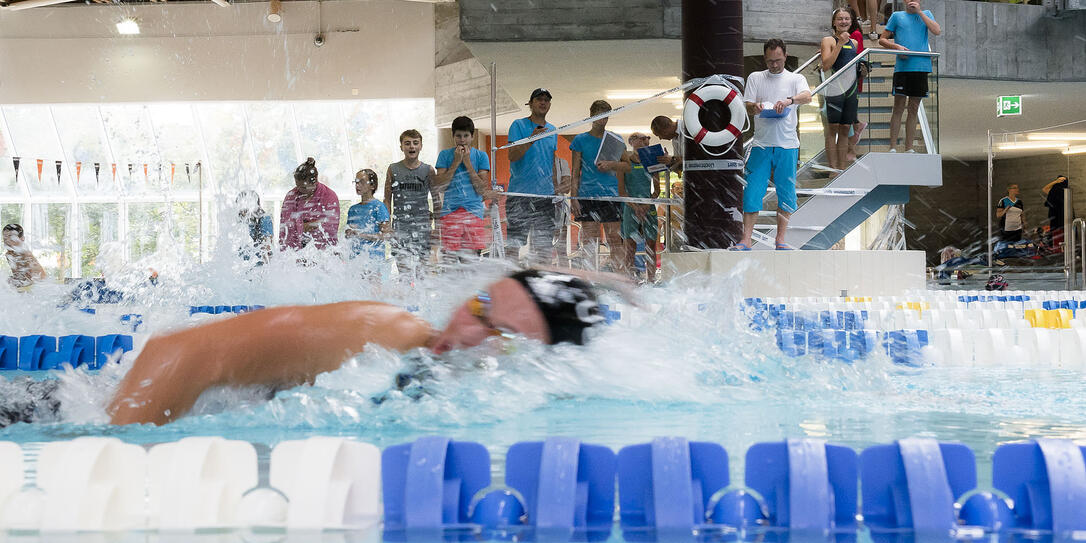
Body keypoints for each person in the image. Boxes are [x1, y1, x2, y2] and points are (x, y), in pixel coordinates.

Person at [104, 269, 604, 426]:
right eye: (479, 306)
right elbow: (177, 352)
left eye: (504, 338)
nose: (470, 332)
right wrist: (118, 457)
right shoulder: (381, 334)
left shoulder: (509, 403)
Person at [735, 39, 813, 251]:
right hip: (761, 144)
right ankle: (746, 239)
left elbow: (808, 97)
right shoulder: (756, 77)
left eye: (778, 60)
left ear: (785, 56)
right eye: (770, 61)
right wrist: (756, 107)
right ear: (765, 59)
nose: (775, 65)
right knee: (752, 192)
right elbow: (747, 105)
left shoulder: (796, 78)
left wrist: (789, 101)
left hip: (787, 145)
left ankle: (781, 239)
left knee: (786, 192)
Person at [570, 100, 627, 272]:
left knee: (614, 239)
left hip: (610, 194)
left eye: (606, 115)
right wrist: (574, 198)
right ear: (592, 116)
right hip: (587, 194)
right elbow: (575, 171)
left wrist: (611, 164)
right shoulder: (580, 139)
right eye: (599, 115)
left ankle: (619, 277)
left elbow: (627, 166)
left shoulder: (615, 139)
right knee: (589, 241)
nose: (603, 120)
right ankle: (590, 279)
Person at [878, 0, 940, 153]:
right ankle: (892, 146)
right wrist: (896, 47)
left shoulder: (926, 14)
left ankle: (909, 147)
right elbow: (882, 39)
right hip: (903, 67)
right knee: (898, 106)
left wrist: (919, 12)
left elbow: (937, 31)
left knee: (914, 108)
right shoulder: (897, 16)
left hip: (921, 67)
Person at [506, 88, 559, 264]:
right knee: (514, 245)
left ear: (550, 105)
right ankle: (511, 286)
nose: (543, 102)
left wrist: (556, 190)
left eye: (546, 100)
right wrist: (532, 138)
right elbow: (512, 155)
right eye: (539, 99)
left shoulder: (553, 130)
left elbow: (551, 162)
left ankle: (540, 287)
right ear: (530, 103)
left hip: (545, 196)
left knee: (544, 246)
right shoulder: (518, 125)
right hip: (519, 195)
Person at [433, 116, 492, 261]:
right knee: (450, 262)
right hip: (450, 213)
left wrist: (467, 163)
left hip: (474, 213)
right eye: (458, 136)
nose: (462, 140)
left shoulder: (481, 156)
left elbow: (482, 190)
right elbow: (440, 186)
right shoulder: (445, 155)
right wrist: (456, 162)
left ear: (472, 136)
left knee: (470, 262)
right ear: (453, 136)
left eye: (466, 136)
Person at [384, 129, 438, 272]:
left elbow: (437, 200)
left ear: (421, 146)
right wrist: (387, 225)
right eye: (407, 143)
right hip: (400, 228)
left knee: (423, 274)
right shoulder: (393, 169)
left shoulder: (428, 170)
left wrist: (438, 227)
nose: (412, 147)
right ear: (401, 147)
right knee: (404, 274)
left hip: (423, 228)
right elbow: (387, 199)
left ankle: (422, 295)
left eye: (415, 143)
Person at [820, 8, 861, 171]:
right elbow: (826, 65)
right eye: (840, 19)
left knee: (845, 128)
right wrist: (840, 44)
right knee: (833, 128)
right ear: (834, 22)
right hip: (835, 89)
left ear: (851, 22)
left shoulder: (855, 43)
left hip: (851, 89)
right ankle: (832, 169)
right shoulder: (828, 40)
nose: (843, 22)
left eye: (846, 19)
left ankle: (842, 168)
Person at [617, 133, 659, 282]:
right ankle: (629, 280)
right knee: (630, 247)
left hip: (649, 206)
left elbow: (657, 190)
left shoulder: (651, 159)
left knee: (651, 246)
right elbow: (622, 192)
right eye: (640, 138)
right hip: (630, 207)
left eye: (646, 138)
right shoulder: (624, 161)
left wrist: (646, 204)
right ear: (631, 141)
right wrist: (635, 207)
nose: (644, 141)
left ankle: (652, 280)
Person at [279, 157, 340, 251]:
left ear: (314, 181)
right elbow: (286, 226)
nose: (299, 189)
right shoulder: (291, 196)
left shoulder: (329, 196)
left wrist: (301, 225)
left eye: (303, 187)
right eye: (297, 185)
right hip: (295, 250)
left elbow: (330, 226)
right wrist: (312, 224)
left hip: (322, 252)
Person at [345, 169, 391, 263]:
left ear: (372, 185)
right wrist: (348, 233)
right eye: (356, 182)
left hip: (373, 261)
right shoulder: (353, 209)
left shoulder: (379, 207)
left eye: (361, 182)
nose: (357, 185)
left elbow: (385, 235)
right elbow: (348, 236)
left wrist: (360, 235)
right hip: (355, 261)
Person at [3, 223, 47, 289]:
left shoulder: (25, 254)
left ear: (22, 239)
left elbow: (34, 279)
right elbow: (18, 276)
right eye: (5, 238)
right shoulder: (9, 254)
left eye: (11, 238)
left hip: (41, 286)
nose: (7, 241)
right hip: (27, 285)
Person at [235, 190, 273, 266]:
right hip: (242, 263)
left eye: (244, 208)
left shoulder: (264, 219)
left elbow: (267, 248)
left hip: (259, 263)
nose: (242, 212)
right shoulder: (241, 222)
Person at [1042, 175, 1071, 245]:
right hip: (1063, 221)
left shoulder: (1064, 192)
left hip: (1060, 221)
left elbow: (1045, 189)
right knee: (1062, 240)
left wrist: (1055, 182)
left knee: (1061, 240)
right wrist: (1056, 181)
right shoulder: (1057, 192)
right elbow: (1045, 189)